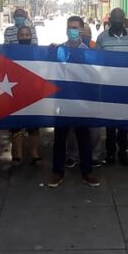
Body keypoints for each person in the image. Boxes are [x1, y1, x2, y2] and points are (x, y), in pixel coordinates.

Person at [48, 16, 100, 188]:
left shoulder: (89, 51)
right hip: (62, 103)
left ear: (81, 29)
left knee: (84, 139)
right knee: (60, 139)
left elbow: (95, 75)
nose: (71, 30)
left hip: (81, 103)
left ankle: (87, 172)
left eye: (75, 27)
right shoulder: (59, 50)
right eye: (69, 27)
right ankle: (57, 172)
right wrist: (50, 52)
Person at [96, 8, 128, 166]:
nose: (117, 21)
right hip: (109, 87)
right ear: (110, 20)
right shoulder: (102, 38)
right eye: (115, 18)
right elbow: (97, 61)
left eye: (120, 18)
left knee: (124, 124)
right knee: (110, 125)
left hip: (127, 87)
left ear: (124, 19)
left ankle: (123, 153)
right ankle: (110, 153)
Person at [9, 26, 41, 166]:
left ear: (31, 36)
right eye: (21, 34)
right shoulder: (10, 52)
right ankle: (17, 154)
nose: (24, 37)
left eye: (27, 34)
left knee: (33, 125)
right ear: (17, 36)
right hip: (15, 91)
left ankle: (34, 154)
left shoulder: (38, 51)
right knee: (16, 125)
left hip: (32, 93)